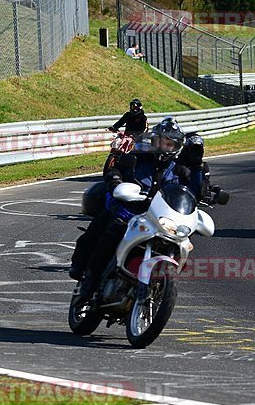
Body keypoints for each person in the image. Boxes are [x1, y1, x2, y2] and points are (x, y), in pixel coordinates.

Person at [74, 119, 188, 300]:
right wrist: (115, 181)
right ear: (154, 140)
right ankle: (90, 277)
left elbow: (190, 192)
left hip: (157, 217)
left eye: (170, 143)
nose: (165, 146)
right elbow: (115, 169)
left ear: (176, 146)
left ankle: (158, 283)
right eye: (162, 141)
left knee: (180, 239)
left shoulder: (180, 171)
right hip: (128, 208)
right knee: (112, 228)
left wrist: (205, 189)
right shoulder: (138, 157)